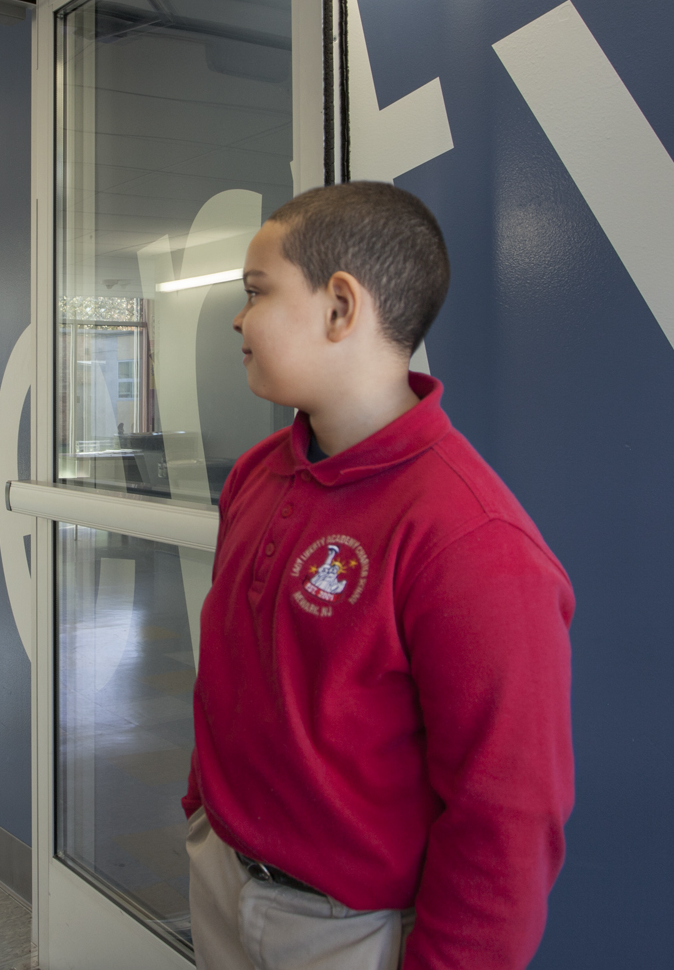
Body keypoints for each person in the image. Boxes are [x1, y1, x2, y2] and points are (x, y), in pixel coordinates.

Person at [185, 183, 574, 970]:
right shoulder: (260, 474)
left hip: (346, 931)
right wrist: (204, 813)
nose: (238, 317)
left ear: (340, 308)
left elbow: (506, 818)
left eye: (257, 292)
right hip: (220, 873)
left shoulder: (470, 539)